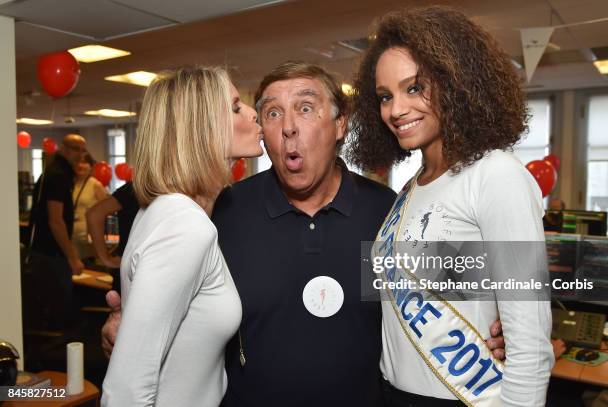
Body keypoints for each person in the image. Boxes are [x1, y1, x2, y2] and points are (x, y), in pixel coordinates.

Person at [101, 61, 506, 407]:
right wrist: (130, 325)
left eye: (306, 108)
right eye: (273, 113)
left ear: (341, 124)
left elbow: (462, 289)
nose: (289, 128)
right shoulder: (219, 215)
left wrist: (501, 326)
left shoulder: (388, 211)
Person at [348, 6, 554, 406]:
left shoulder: (496, 175)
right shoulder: (410, 190)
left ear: (455, 82)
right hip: (391, 393)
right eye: (385, 97)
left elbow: (529, 340)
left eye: (414, 88)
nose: (395, 110)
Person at [101, 66, 263, 406]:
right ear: (200, 129)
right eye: (235, 107)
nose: (252, 112)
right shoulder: (184, 223)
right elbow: (125, 391)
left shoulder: (160, 210)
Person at [28, 133, 87, 330]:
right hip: (51, 256)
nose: (79, 154)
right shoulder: (59, 175)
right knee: (59, 315)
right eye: (74, 148)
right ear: (63, 149)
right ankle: (57, 358)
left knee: (47, 309)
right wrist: (72, 258)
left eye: (82, 150)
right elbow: (55, 221)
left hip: (43, 253)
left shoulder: (54, 171)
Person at [87, 181, 139, 292]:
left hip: (142, 268)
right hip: (130, 270)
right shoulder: (136, 188)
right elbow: (94, 215)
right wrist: (106, 259)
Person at [72, 153, 108, 262]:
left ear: (91, 166)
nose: (80, 165)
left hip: (89, 239)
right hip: (72, 237)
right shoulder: (70, 184)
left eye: (84, 162)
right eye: (78, 162)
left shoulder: (96, 185)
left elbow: (106, 212)